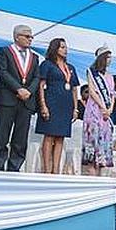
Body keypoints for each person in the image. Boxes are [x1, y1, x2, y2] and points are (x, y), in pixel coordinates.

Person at [0, 24, 39, 172]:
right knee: (2, 135)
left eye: (31, 36)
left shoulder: (34, 57)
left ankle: (15, 166)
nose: (30, 39)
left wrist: (28, 91)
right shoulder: (5, 51)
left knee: (21, 136)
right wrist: (18, 88)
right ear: (17, 37)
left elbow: (37, 77)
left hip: (26, 101)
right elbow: (3, 72)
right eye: (27, 36)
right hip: (8, 98)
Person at [35, 37, 79, 174]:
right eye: (62, 47)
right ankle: (47, 169)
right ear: (55, 48)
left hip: (65, 105)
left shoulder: (70, 68)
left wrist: (75, 108)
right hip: (51, 102)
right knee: (49, 136)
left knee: (60, 137)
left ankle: (56, 170)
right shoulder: (47, 64)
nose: (65, 50)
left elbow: (74, 88)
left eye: (66, 47)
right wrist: (43, 105)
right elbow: (41, 86)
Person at [82, 45, 116, 176]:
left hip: (106, 113)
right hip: (94, 110)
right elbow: (92, 91)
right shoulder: (91, 72)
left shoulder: (111, 76)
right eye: (108, 57)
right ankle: (91, 173)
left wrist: (110, 108)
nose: (110, 60)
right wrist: (102, 106)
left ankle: (101, 173)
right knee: (93, 141)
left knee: (104, 143)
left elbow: (112, 94)